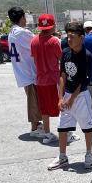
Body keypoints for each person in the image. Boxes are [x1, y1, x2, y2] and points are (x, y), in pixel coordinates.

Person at [49, 22, 92, 170]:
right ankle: (62, 157)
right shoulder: (65, 53)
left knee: (87, 127)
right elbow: (62, 75)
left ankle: (89, 155)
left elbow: (83, 81)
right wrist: (60, 98)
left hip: (81, 96)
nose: (69, 40)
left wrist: (72, 99)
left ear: (81, 38)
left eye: (72, 37)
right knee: (62, 127)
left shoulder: (86, 56)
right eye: (67, 37)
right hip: (67, 95)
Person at [7, 6, 43, 138]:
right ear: (22, 17)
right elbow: (38, 43)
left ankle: (37, 124)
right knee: (34, 101)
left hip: (22, 71)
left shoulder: (12, 32)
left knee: (33, 99)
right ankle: (35, 127)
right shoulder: (22, 32)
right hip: (29, 72)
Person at [30, 14, 62, 144]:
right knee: (61, 106)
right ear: (53, 26)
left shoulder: (33, 41)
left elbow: (33, 59)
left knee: (45, 109)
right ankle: (67, 132)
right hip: (54, 79)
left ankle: (47, 134)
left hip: (40, 80)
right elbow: (61, 58)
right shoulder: (55, 41)